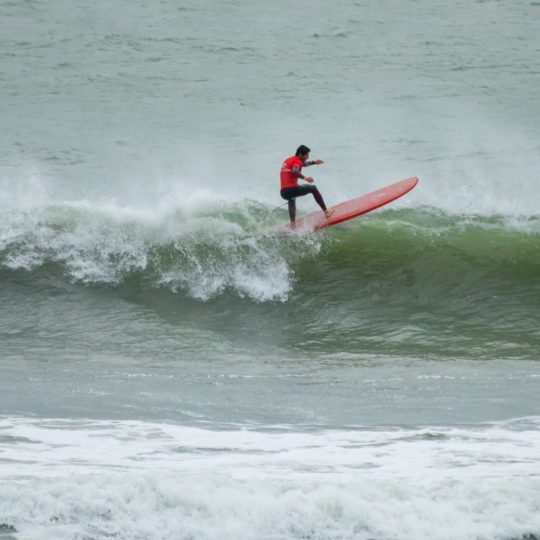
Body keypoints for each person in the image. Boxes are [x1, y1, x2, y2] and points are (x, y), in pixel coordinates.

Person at [280, 145, 334, 224]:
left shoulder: (289, 160)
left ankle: (293, 223)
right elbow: (295, 171)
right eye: (307, 155)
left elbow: (302, 164)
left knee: (292, 199)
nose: (308, 157)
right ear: (301, 154)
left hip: (283, 192)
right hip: (290, 189)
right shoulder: (297, 161)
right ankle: (326, 212)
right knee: (313, 188)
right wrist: (304, 178)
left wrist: (314, 162)